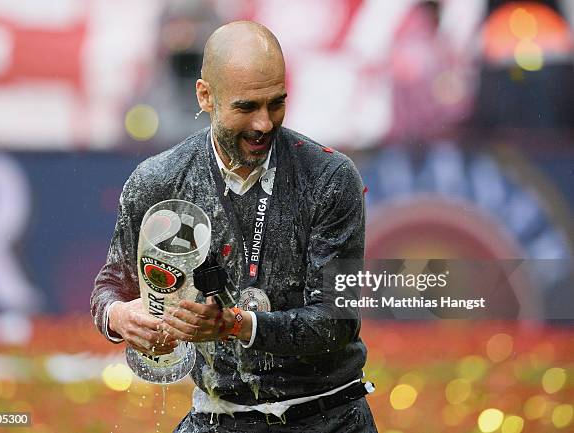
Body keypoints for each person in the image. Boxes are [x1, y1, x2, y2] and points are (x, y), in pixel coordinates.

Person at [91, 21, 378, 433]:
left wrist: (236, 324)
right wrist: (120, 316)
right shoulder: (158, 180)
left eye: (276, 103)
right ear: (205, 96)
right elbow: (112, 283)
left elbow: (336, 322)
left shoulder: (330, 178)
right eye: (246, 107)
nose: (264, 123)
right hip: (217, 416)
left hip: (328, 416)